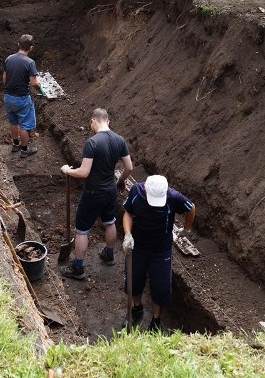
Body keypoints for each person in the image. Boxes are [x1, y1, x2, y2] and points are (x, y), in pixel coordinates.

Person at [60, 108, 133, 280]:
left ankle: (78, 268)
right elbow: (129, 167)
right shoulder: (120, 140)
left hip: (93, 192)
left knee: (82, 230)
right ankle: (109, 254)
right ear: (108, 121)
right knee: (109, 222)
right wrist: (120, 181)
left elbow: (84, 172)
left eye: (90, 124)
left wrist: (67, 171)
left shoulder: (92, 143)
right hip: (110, 190)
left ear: (93, 121)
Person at [122, 175, 195, 332]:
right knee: (134, 281)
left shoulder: (173, 196)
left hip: (161, 250)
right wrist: (128, 234)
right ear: (146, 189)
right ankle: (137, 308)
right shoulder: (136, 191)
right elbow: (127, 212)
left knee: (160, 286)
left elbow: (191, 207)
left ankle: (156, 321)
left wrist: (186, 229)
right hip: (138, 246)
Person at [3, 34, 40, 158]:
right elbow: (34, 82)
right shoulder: (30, 62)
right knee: (25, 125)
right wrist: (40, 89)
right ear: (31, 48)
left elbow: (4, 78)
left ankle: (15, 145)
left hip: (8, 97)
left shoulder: (8, 59)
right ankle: (24, 150)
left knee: (13, 122)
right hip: (22, 98)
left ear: (18, 45)